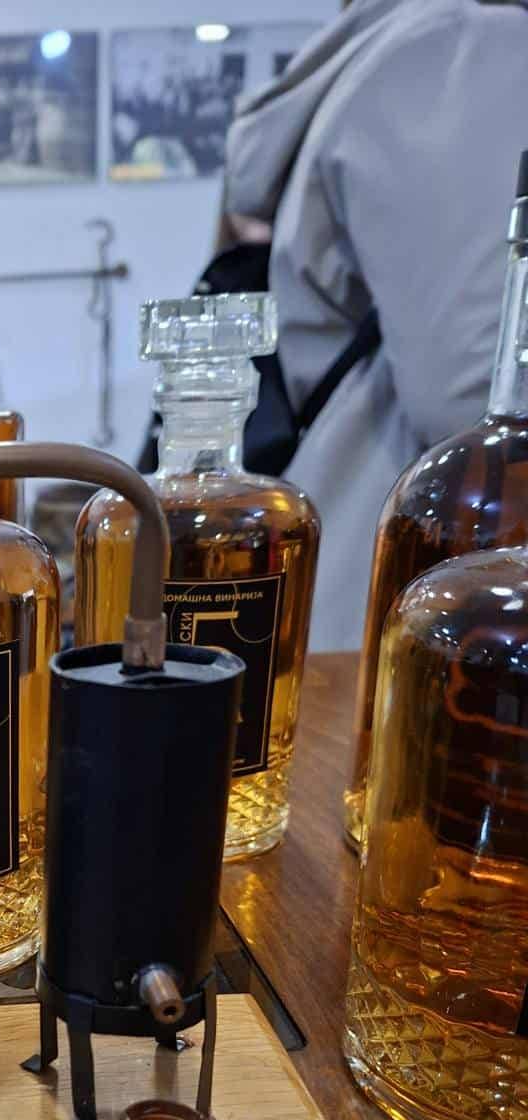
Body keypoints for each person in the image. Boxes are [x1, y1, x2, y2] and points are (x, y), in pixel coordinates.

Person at [223, 0, 528, 651]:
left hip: (401, 576)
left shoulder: (434, 49)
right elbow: (477, 397)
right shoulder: (467, 48)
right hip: (424, 598)